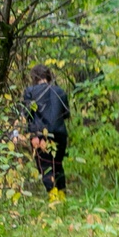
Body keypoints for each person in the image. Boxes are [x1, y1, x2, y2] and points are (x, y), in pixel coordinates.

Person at [22, 65, 71, 203]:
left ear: (34, 77)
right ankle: (62, 197)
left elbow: (27, 113)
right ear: (48, 76)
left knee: (45, 166)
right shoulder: (60, 91)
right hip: (60, 134)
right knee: (58, 164)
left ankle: (53, 198)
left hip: (39, 135)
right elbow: (66, 113)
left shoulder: (30, 92)